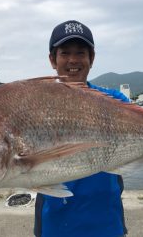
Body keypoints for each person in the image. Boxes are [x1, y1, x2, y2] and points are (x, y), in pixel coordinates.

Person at [34, 20, 129, 237]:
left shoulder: (115, 100)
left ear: (91, 58)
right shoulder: (38, 104)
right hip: (56, 223)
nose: (73, 60)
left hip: (107, 221)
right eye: (65, 53)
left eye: (81, 53)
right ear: (52, 59)